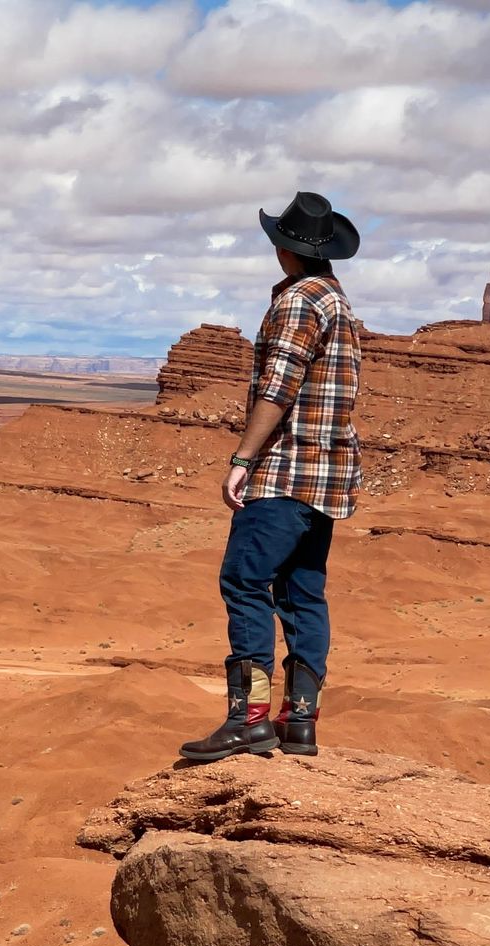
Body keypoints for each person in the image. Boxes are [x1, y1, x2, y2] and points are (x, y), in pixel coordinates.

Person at [180, 191, 363, 763]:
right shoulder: (340, 303)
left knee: (243, 580)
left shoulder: (297, 303)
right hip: (329, 478)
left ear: (287, 249)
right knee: (303, 592)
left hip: (285, 472)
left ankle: (249, 718)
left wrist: (242, 459)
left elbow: (277, 387)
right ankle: (299, 721)